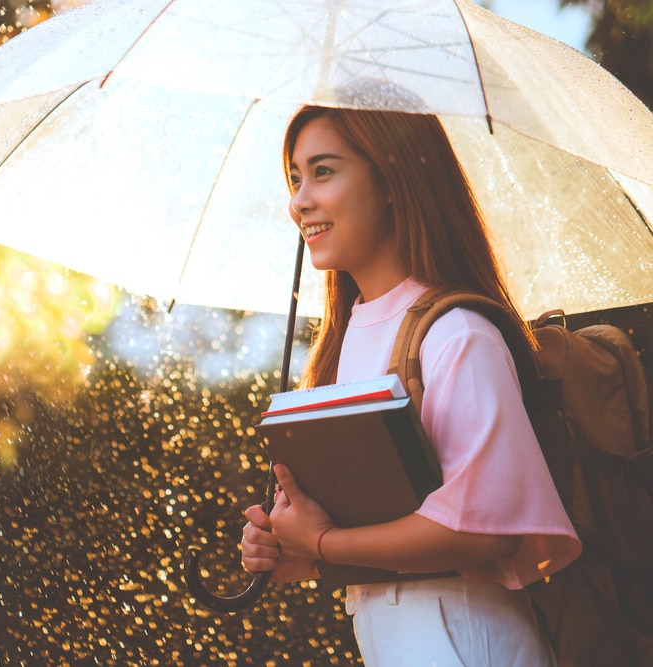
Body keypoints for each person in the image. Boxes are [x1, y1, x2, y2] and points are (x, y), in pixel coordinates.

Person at [240, 105, 582, 666]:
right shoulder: (347, 341)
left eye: (323, 171)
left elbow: (482, 531)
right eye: (295, 177)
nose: (299, 200)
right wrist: (297, 550)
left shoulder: (458, 334)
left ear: (393, 180)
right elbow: (385, 521)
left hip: (464, 637)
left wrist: (324, 542)